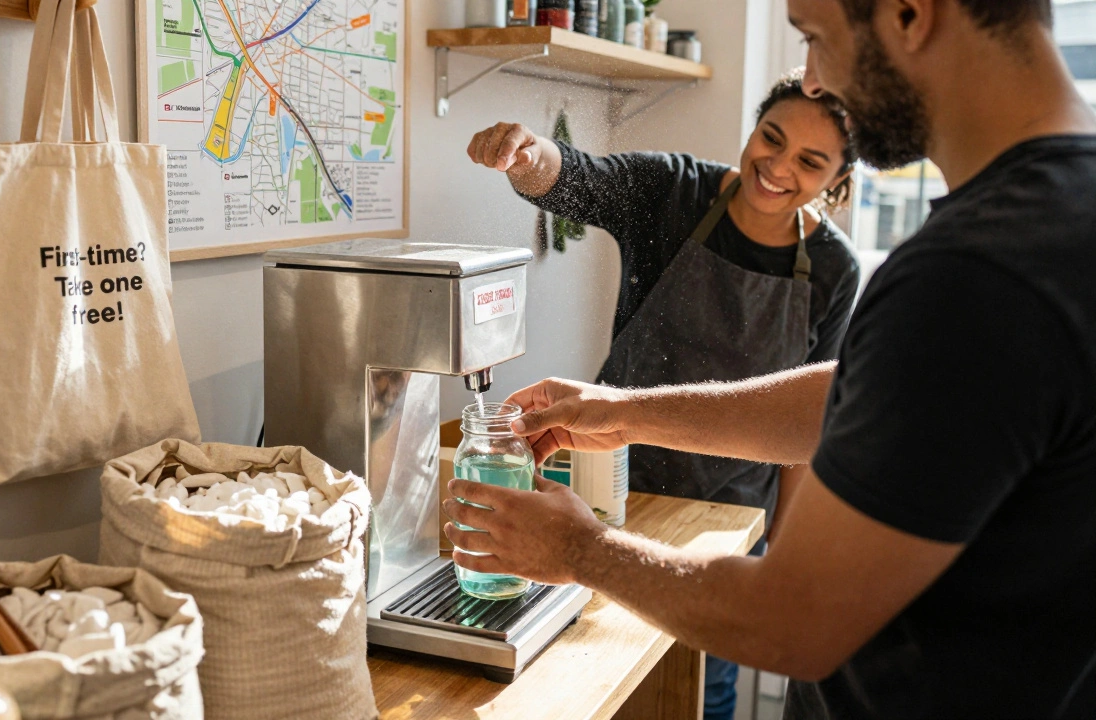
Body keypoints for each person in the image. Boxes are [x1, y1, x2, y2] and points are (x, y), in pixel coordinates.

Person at [443, 0, 1096, 717]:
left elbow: (794, 621)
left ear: (910, 14)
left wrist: (580, 551)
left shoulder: (978, 269)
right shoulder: (1057, 222)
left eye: (815, 38)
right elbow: (868, 393)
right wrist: (622, 411)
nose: (814, 78)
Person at [467, 74, 860, 720]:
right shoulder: (673, 192)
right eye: (771, 138)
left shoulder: (834, 270)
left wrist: (777, 555)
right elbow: (579, 179)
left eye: (810, 162)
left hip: (727, 530)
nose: (778, 166)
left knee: (702, 695)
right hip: (612, 496)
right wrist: (528, 155)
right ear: (755, 125)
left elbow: (805, 436)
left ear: (836, 181)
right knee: (591, 683)